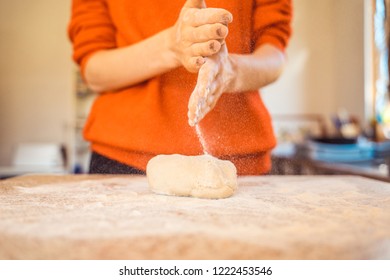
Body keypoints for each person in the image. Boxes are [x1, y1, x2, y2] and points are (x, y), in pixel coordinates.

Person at [68, 0, 292, 175]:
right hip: (123, 161)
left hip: (240, 161)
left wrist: (229, 71)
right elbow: (94, 70)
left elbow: (274, 53)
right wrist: (172, 47)